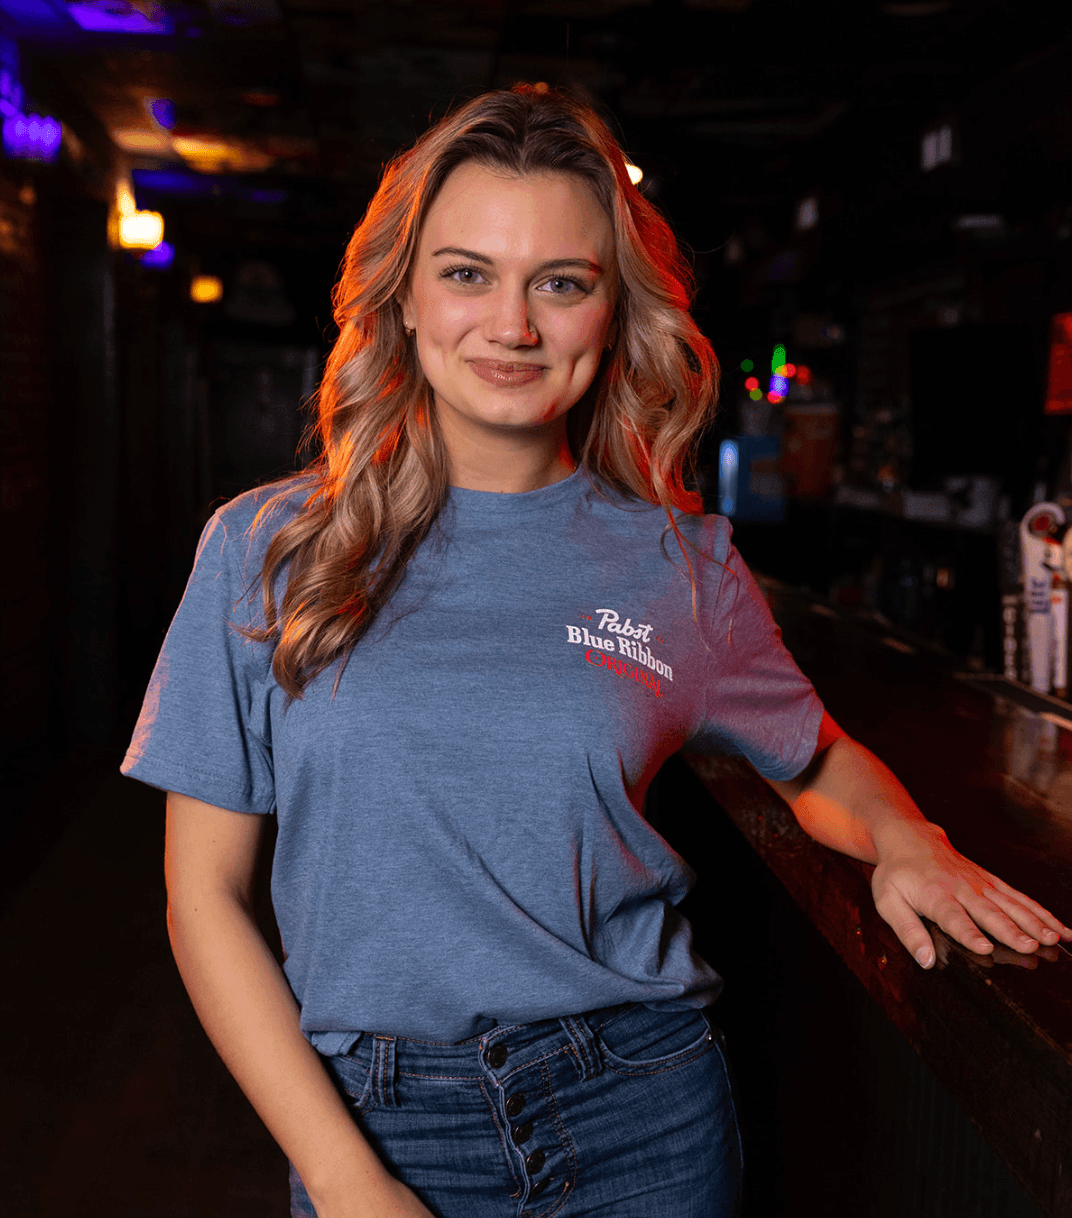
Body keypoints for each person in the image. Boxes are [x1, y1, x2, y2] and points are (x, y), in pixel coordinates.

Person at [122, 84, 1070, 1218]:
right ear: (404, 300)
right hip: (375, 1118)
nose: (513, 327)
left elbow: (813, 761)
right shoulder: (268, 548)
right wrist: (343, 1177)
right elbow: (203, 898)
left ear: (613, 313)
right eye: (467, 273)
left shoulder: (680, 565)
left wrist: (903, 837)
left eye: (559, 284)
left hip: (643, 1112)